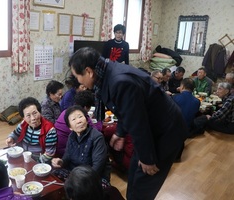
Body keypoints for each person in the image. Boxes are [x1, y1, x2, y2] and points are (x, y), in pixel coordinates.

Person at [68, 47, 187, 200]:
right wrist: (120, 133)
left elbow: (139, 123)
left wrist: (148, 159)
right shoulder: (107, 72)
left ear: (89, 71)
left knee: (142, 185)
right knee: (134, 175)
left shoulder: (119, 82)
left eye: (77, 76)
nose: (78, 81)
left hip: (165, 132)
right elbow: (126, 110)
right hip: (152, 127)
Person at [52, 105, 111, 182]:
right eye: (74, 119)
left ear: (86, 120)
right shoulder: (71, 136)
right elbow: (67, 156)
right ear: (70, 127)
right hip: (75, 173)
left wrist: (79, 180)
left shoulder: (97, 137)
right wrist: (61, 162)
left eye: (80, 117)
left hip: (92, 175)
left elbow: (97, 167)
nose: (79, 121)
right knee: (53, 174)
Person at [6, 97, 57, 164]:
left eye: (35, 113)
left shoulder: (50, 130)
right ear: (23, 118)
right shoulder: (23, 124)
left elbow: (49, 154)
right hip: (23, 156)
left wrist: (32, 163)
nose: (33, 118)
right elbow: (15, 134)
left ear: (40, 112)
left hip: (39, 161)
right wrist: (10, 138)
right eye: (28, 115)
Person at [55, 90, 100, 158]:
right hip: (66, 152)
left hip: (56, 149)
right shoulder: (82, 117)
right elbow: (96, 132)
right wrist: (100, 121)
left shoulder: (66, 111)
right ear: (85, 107)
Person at [172, 78, 201, 161]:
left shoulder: (175, 98)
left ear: (183, 86)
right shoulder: (197, 101)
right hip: (187, 130)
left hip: (173, 130)